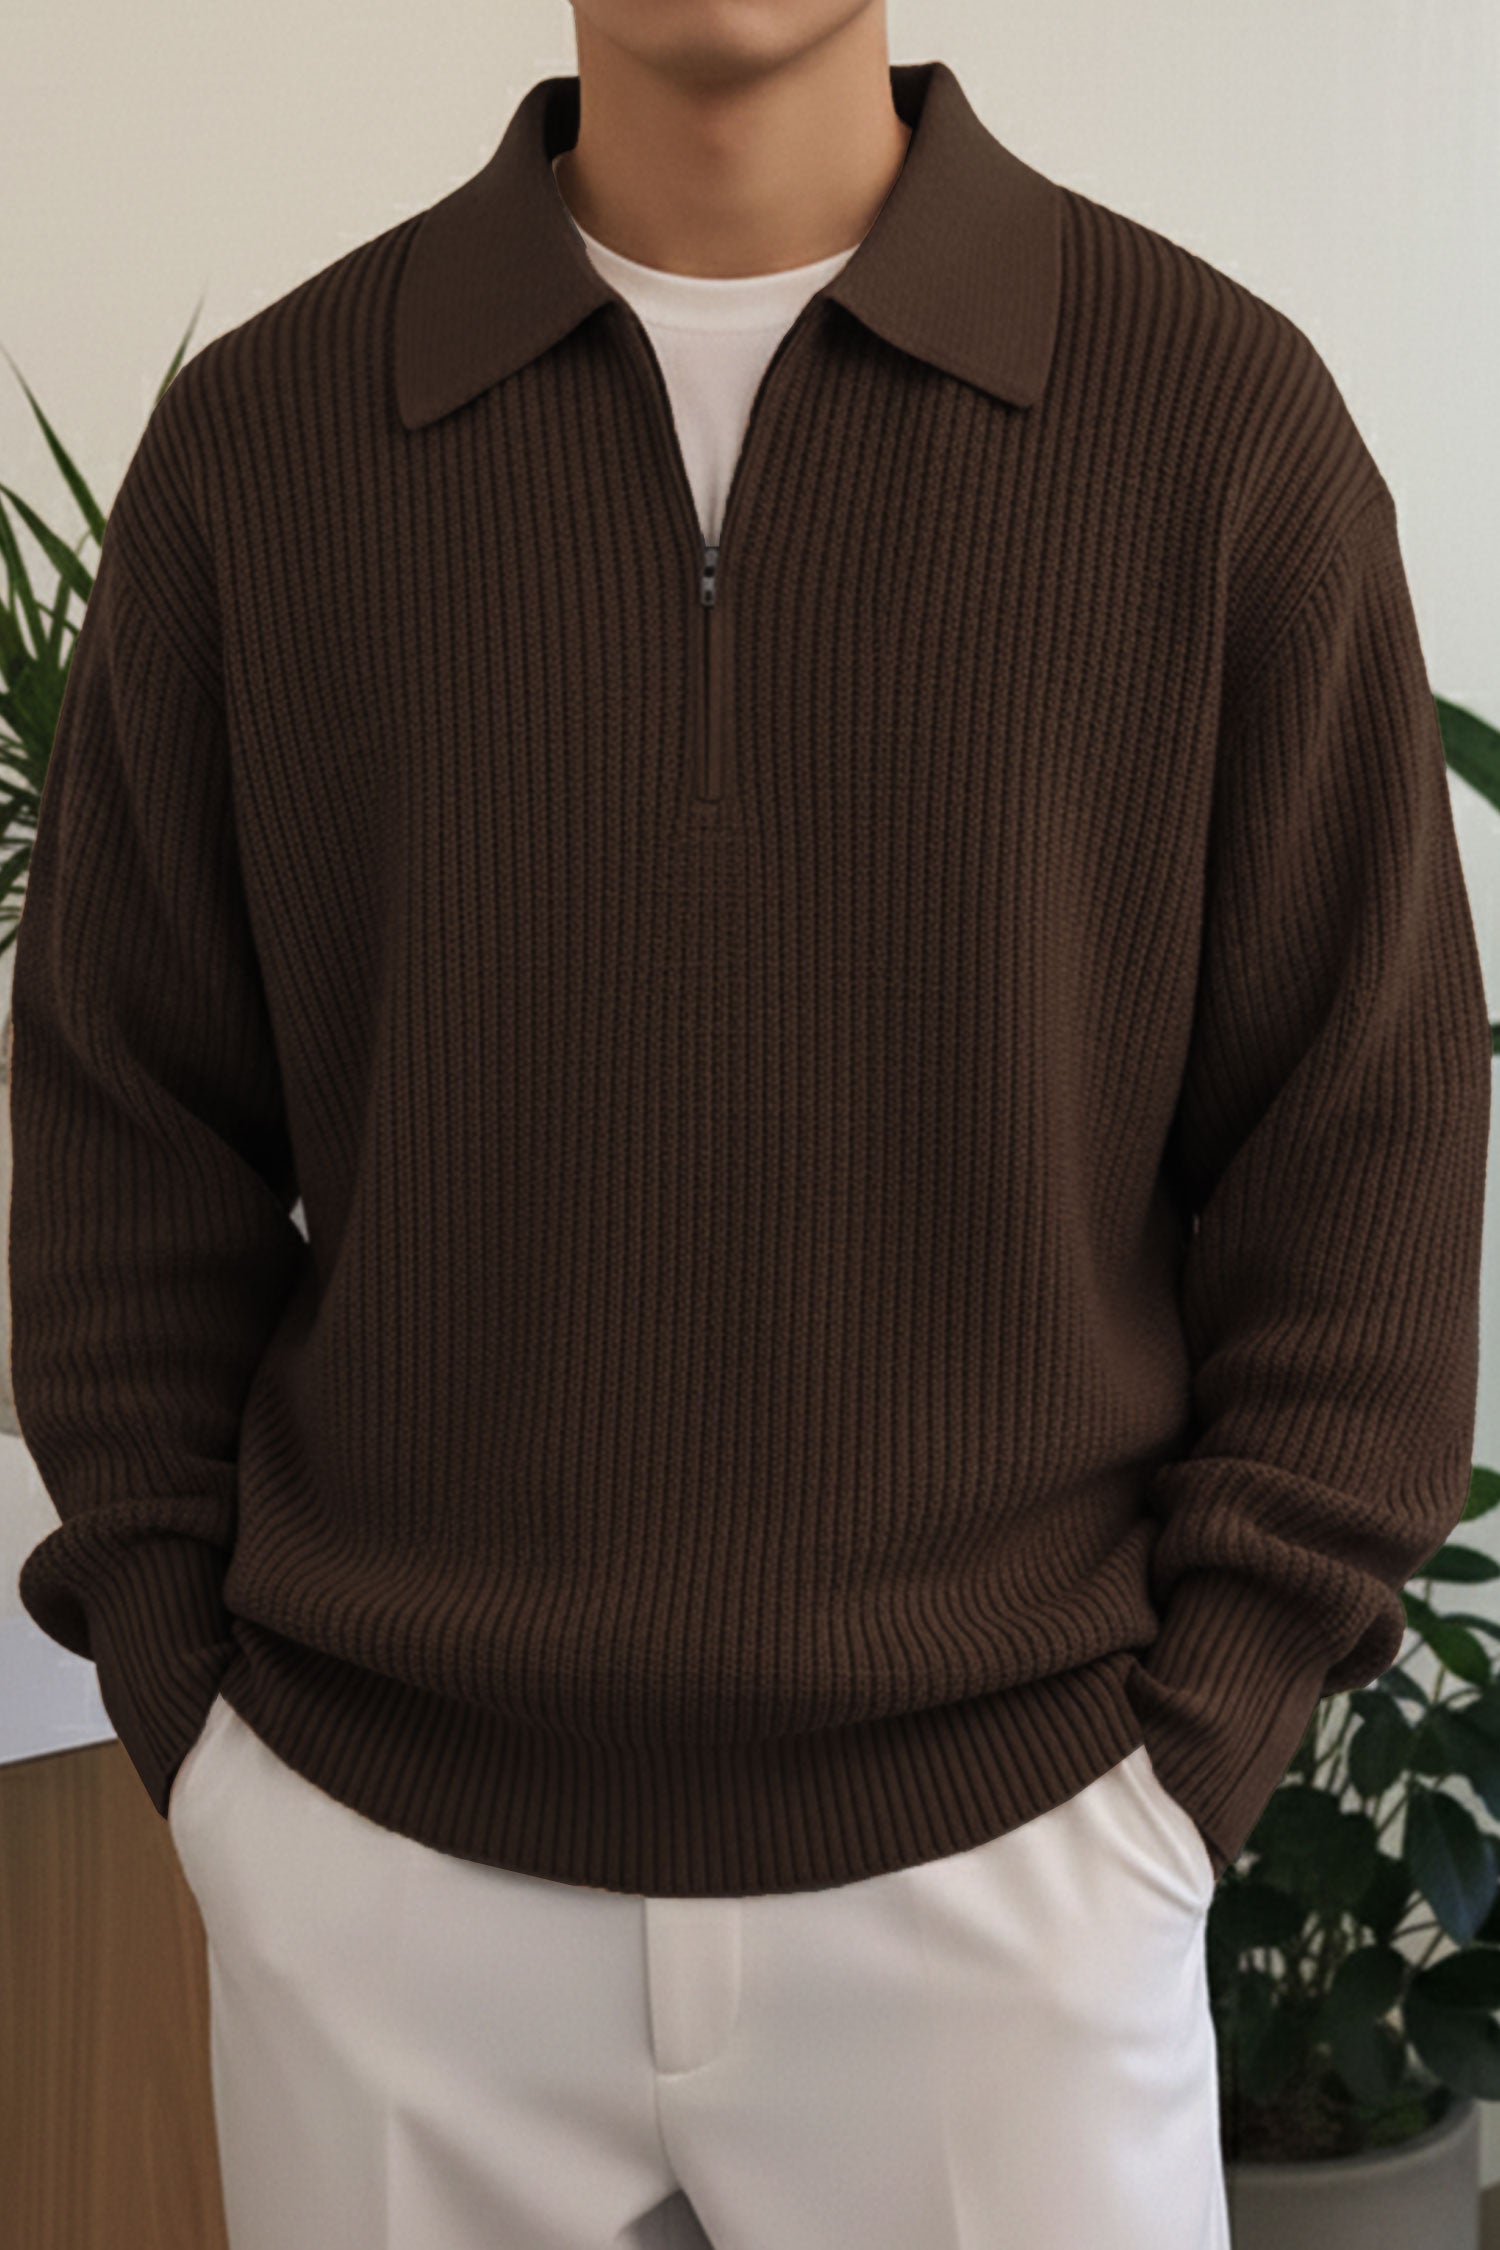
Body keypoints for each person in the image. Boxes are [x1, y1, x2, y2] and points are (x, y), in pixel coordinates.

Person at [12, 4, 1489, 2246]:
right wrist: (210, 1748)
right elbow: (127, 1119)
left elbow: (1360, 1128)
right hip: (375, 1865)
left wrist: (1179, 1777)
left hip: (1018, 1860)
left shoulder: (1211, 425)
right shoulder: (269, 446)